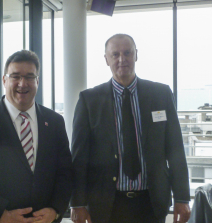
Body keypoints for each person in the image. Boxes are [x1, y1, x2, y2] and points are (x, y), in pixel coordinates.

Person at [70, 34, 190, 223]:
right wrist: (77, 203)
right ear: (106, 59)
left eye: (127, 53)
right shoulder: (89, 100)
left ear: (136, 55)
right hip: (106, 204)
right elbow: (79, 157)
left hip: (152, 202)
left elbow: (175, 149)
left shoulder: (161, 94)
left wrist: (182, 197)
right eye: (115, 54)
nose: (122, 59)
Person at [0, 50, 73, 223]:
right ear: (4, 80)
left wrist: (55, 210)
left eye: (29, 77)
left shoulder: (55, 121)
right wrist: (0, 214)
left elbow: (65, 172)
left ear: (37, 81)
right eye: (15, 76)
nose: (22, 83)